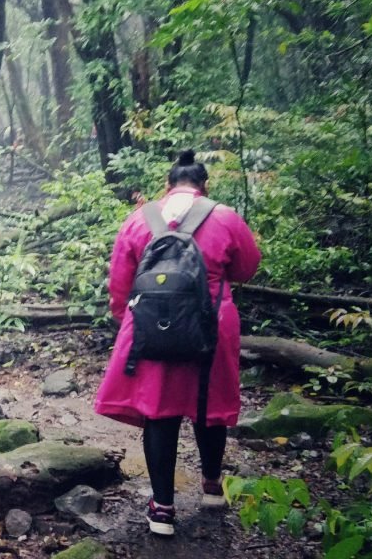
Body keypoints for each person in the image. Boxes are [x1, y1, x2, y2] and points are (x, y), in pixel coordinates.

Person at [93, 150, 261, 537]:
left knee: (159, 411)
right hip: (213, 322)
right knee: (209, 405)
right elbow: (247, 267)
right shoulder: (225, 216)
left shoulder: (139, 219)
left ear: (167, 186)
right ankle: (213, 486)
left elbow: (120, 283)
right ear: (204, 186)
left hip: (153, 324)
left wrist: (134, 324)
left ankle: (163, 509)